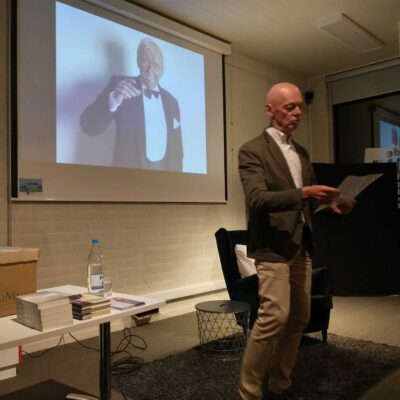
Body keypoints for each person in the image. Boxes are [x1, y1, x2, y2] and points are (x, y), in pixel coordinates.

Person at [238, 82, 354, 400]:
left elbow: (309, 200)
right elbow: (257, 199)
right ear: (270, 110)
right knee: (274, 316)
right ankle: (248, 392)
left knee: (299, 318)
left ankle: (280, 384)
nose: (298, 112)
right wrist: (304, 193)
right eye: (290, 107)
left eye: (300, 106)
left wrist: (332, 204)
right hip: (272, 246)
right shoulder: (252, 150)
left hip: (300, 245)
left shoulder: (301, 152)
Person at [80, 38, 183, 171]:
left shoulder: (172, 101)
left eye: (156, 65)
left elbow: (177, 150)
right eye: (146, 62)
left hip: (165, 177)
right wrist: (114, 99)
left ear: (162, 69)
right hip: (129, 178)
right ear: (138, 62)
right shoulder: (121, 87)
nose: (150, 70)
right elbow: (88, 126)